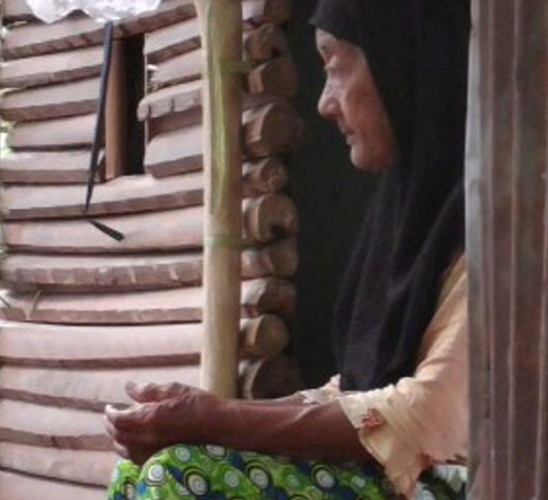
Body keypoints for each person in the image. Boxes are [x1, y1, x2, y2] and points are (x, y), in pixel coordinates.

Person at [105, 0, 470, 497]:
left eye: (336, 67)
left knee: (178, 476)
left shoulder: (494, 230)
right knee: (143, 470)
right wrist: (197, 414)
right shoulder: (408, 218)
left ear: (400, 61)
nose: (324, 102)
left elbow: (427, 418)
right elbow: (359, 394)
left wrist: (218, 420)